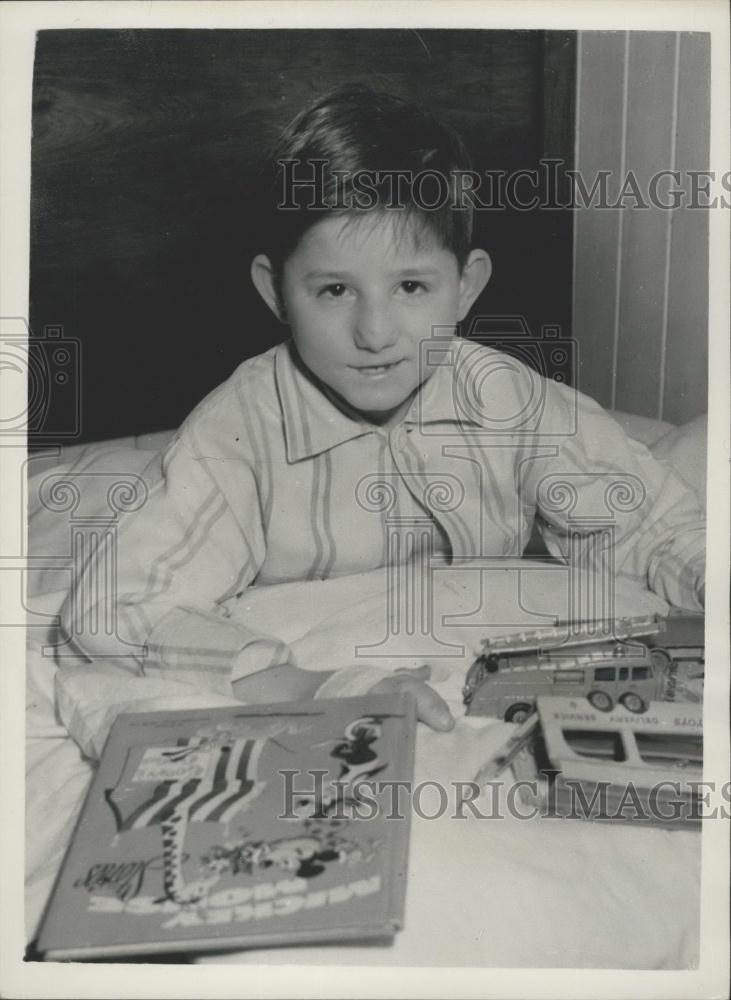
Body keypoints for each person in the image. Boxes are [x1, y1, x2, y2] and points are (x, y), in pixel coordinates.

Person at [58, 86, 705, 737]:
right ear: (275, 292)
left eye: (411, 287)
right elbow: (116, 607)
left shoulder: (507, 397)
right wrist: (313, 686)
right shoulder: (240, 431)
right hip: (329, 681)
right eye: (334, 290)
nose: (374, 332)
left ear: (465, 287)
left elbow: (646, 525)